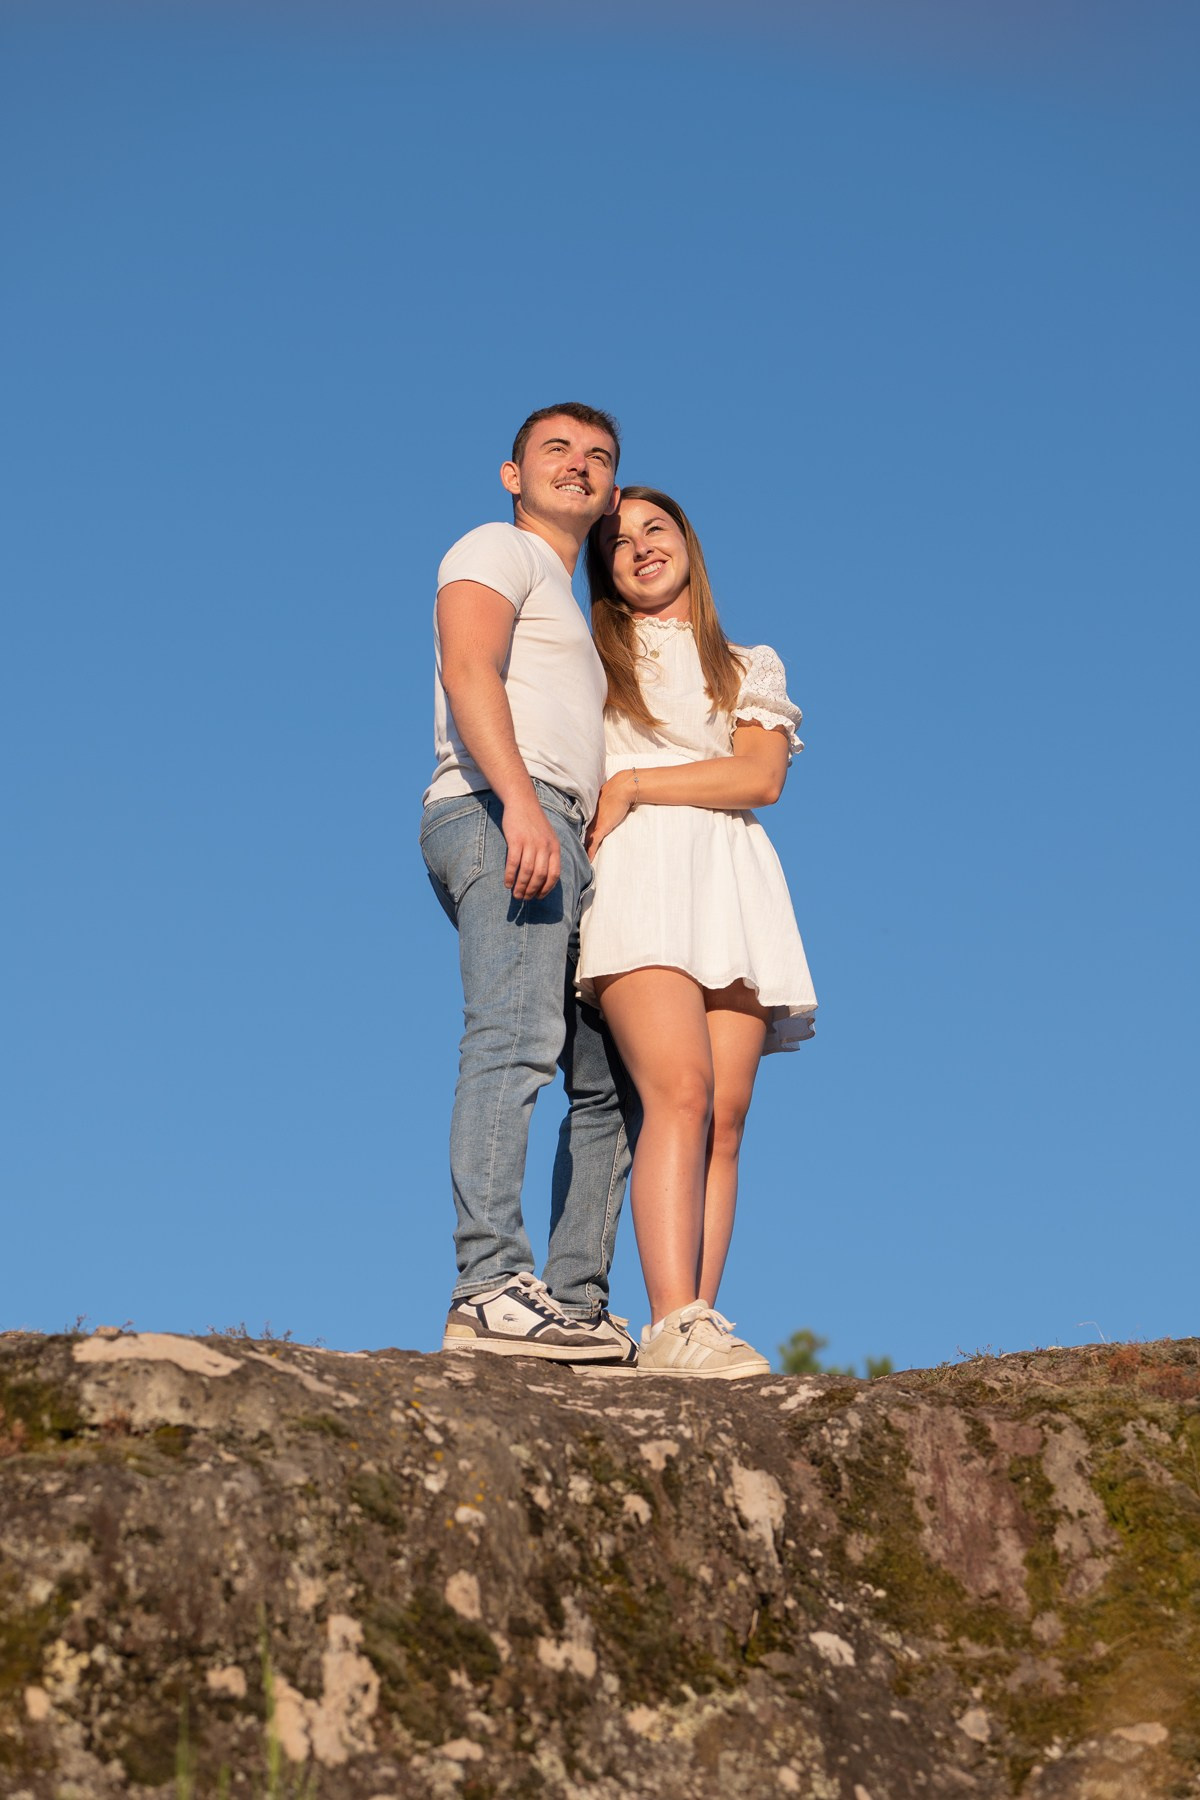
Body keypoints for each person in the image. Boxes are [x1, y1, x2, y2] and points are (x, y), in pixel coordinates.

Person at [578, 487, 818, 1378]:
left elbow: (761, 778)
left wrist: (640, 781)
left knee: (725, 1114)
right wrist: (631, 797)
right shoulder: (592, 658)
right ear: (601, 570)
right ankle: (670, 1314)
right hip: (640, 876)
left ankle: (699, 1323)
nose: (640, 548)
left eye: (655, 529)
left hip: (733, 881)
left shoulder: (746, 663)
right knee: (676, 1091)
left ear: (688, 541)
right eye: (617, 542)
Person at [421, 404, 637, 1365]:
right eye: (556, 451)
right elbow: (469, 667)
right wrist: (516, 801)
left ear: (614, 491)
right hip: (501, 806)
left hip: (563, 830)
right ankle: (486, 1286)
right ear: (512, 474)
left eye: (598, 458)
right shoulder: (493, 550)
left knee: (607, 1075)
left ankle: (574, 1300)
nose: (577, 467)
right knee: (513, 1039)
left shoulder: (576, 607)